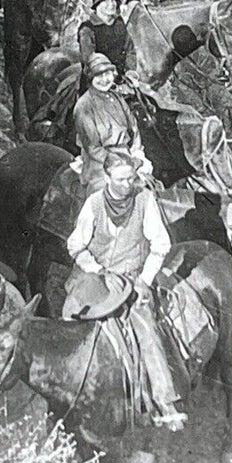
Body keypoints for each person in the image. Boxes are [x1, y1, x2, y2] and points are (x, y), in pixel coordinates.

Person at [64, 149, 186, 431]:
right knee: (73, 319)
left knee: (145, 326)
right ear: (106, 178)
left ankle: (164, 398)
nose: (126, 185)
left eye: (130, 178)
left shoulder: (144, 200)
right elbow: (75, 245)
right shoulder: (94, 203)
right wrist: (94, 269)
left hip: (131, 277)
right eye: (119, 179)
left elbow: (161, 245)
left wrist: (144, 279)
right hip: (96, 275)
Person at [73, 53, 149, 191]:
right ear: (91, 78)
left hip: (127, 157)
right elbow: (93, 149)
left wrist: (136, 152)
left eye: (107, 74)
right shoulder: (84, 106)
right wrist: (121, 163)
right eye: (99, 75)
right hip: (100, 164)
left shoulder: (117, 97)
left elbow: (133, 129)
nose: (104, 80)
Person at [78, 0, 130, 87]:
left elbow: (130, 50)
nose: (111, 4)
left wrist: (129, 72)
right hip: (99, 80)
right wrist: (110, 78)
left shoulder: (119, 23)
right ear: (97, 5)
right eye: (106, 1)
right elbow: (89, 61)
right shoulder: (87, 29)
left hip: (122, 79)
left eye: (113, 0)